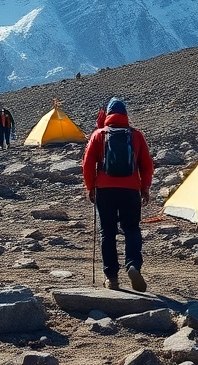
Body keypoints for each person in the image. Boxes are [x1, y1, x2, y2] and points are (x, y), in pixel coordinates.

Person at [81, 98, 154, 292]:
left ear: (107, 114)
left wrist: (90, 187)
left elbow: (88, 164)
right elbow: (146, 164)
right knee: (131, 229)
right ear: (125, 115)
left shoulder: (99, 135)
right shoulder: (136, 135)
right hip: (131, 190)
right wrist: (145, 187)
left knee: (108, 232)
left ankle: (112, 278)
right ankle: (133, 266)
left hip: (105, 190)